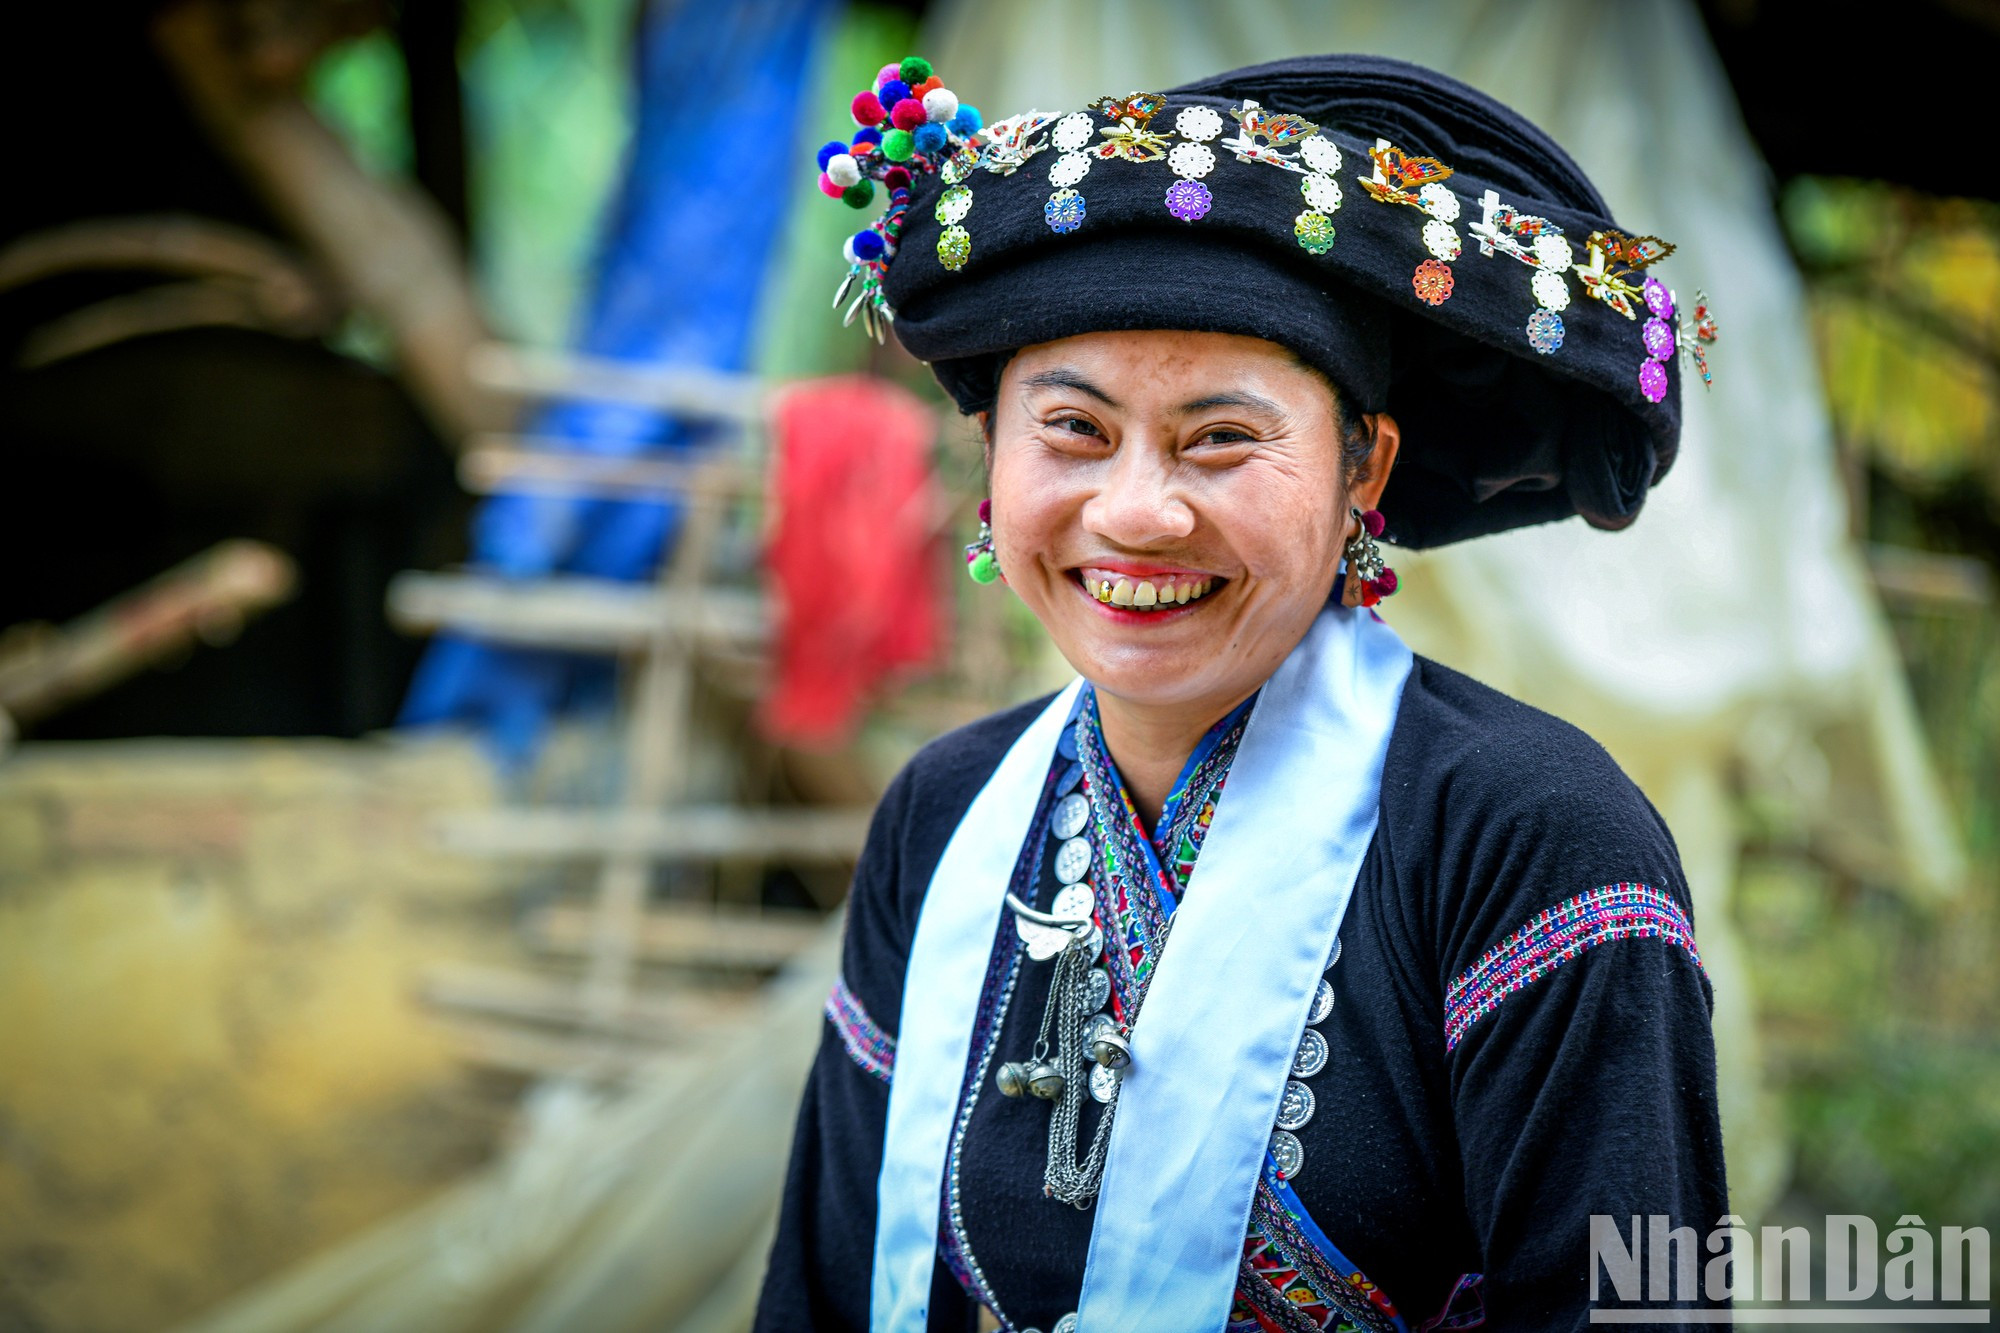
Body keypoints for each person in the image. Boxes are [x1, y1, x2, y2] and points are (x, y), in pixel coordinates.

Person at [756, 53, 1727, 1333]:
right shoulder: (941, 816)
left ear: (1362, 473)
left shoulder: (1534, 844)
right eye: (1072, 430)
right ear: (989, 451)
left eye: (1220, 438)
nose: (1136, 512)